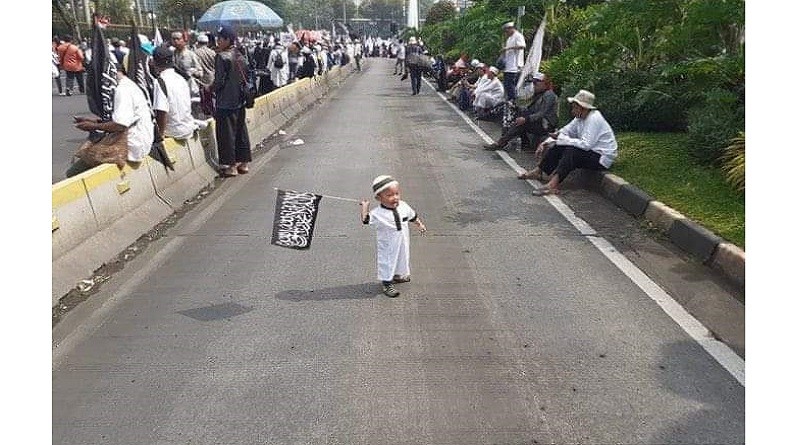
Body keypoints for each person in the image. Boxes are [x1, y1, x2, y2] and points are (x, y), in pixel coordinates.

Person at [519, 90, 618, 196]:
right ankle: (539, 171)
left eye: (575, 107)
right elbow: (564, 131)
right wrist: (546, 142)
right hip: (590, 152)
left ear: (583, 108)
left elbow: (586, 145)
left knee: (571, 151)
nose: (572, 110)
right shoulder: (579, 118)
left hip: (601, 158)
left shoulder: (594, 119)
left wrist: (563, 140)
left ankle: (553, 185)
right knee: (560, 145)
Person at [69, 60, 155, 177]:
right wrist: (92, 121)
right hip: (138, 137)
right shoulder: (128, 85)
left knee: (75, 168)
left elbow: (120, 125)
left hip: (133, 143)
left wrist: (94, 126)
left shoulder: (122, 90)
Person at [360, 175, 427, 298]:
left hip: (402, 240)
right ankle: (387, 284)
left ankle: (397, 276)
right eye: (389, 195)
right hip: (387, 243)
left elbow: (412, 216)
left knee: (402, 257)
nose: (395, 197)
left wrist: (420, 224)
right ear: (378, 198)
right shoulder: (378, 213)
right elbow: (366, 220)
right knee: (388, 261)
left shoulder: (403, 206)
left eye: (396, 193)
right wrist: (365, 207)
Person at [212, 26, 252, 177]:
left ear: (227, 40)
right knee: (241, 131)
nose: (218, 41)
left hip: (226, 102)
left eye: (220, 39)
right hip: (240, 100)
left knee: (226, 134)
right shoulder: (241, 55)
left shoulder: (222, 57)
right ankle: (244, 163)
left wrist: (211, 87)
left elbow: (219, 81)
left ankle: (231, 166)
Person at [484, 72, 558, 151]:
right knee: (518, 114)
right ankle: (523, 143)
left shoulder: (549, 95)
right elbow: (530, 108)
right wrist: (517, 107)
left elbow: (541, 113)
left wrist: (526, 119)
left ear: (544, 83)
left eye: (536, 83)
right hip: (539, 121)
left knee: (522, 123)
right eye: (533, 83)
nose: (534, 85)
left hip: (546, 124)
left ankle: (501, 142)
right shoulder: (539, 94)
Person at [151, 45, 198, 140]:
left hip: (174, 131)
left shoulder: (160, 81)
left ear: (155, 62)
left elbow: (161, 112)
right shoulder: (181, 79)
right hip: (188, 127)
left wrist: (160, 136)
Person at [500, 21, 526, 103]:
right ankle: (510, 100)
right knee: (507, 85)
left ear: (511, 29)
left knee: (510, 85)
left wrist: (508, 48)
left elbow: (522, 46)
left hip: (515, 66)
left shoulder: (518, 36)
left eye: (507, 31)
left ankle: (514, 101)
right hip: (508, 65)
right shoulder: (510, 38)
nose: (506, 33)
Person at [171, 31, 203, 95]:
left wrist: (192, 72)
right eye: (173, 39)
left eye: (178, 39)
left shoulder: (191, 54)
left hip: (189, 89)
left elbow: (200, 72)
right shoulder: (171, 54)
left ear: (184, 40)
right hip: (176, 89)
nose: (175, 41)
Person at [193, 33, 216, 116]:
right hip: (213, 79)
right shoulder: (212, 52)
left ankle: (208, 114)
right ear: (207, 43)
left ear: (198, 43)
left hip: (202, 80)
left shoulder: (195, 53)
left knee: (205, 100)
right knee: (213, 98)